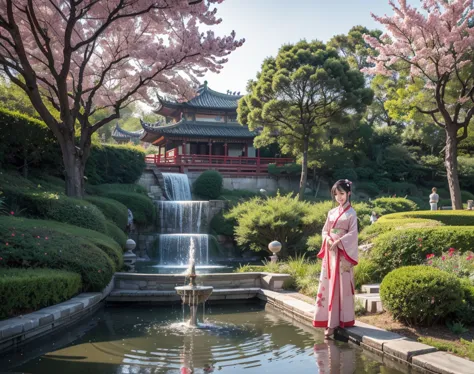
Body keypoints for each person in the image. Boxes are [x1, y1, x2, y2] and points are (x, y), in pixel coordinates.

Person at [313, 179, 358, 337]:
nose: (339, 197)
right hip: (330, 252)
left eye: (342, 194)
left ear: (348, 194)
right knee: (328, 284)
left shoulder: (351, 213)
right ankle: (328, 321)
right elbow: (325, 231)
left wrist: (339, 241)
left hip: (343, 253)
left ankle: (339, 321)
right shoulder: (331, 213)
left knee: (341, 286)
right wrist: (328, 239)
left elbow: (353, 234)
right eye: (336, 194)